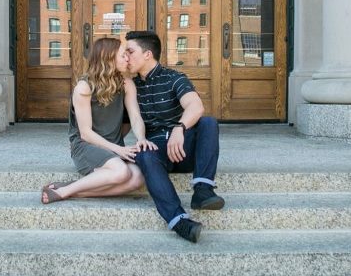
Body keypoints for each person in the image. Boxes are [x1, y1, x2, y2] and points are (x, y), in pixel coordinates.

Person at [124, 30, 224, 244]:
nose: (126, 56)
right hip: (157, 152)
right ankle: (179, 222)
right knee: (144, 154)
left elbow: (196, 106)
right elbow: (126, 122)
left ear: (148, 54)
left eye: (130, 51)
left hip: (182, 147)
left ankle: (203, 190)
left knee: (208, 122)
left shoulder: (174, 78)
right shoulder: (130, 86)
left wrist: (179, 128)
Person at [41, 37, 155, 204]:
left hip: (113, 147)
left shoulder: (127, 84)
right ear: (108, 57)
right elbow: (86, 134)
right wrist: (118, 149)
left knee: (138, 178)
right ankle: (64, 191)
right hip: (86, 147)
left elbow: (135, 117)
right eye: (123, 55)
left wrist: (142, 138)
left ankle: (71, 190)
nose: (127, 58)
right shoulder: (84, 87)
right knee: (121, 172)